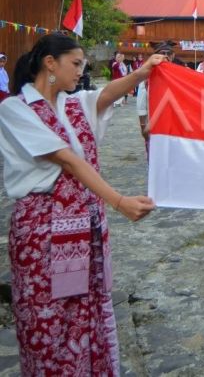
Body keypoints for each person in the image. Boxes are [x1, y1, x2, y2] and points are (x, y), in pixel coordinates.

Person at [0, 33, 157, 375]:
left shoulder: (72, 105)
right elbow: (68, 160)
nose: (80, 71)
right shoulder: (15, 109)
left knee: (84, 311)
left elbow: (106, 94)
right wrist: (118, 201)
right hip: (42, 234)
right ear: (50, 63)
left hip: (83, 231)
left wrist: (143, 72)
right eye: (75, 64)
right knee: (50, 317)